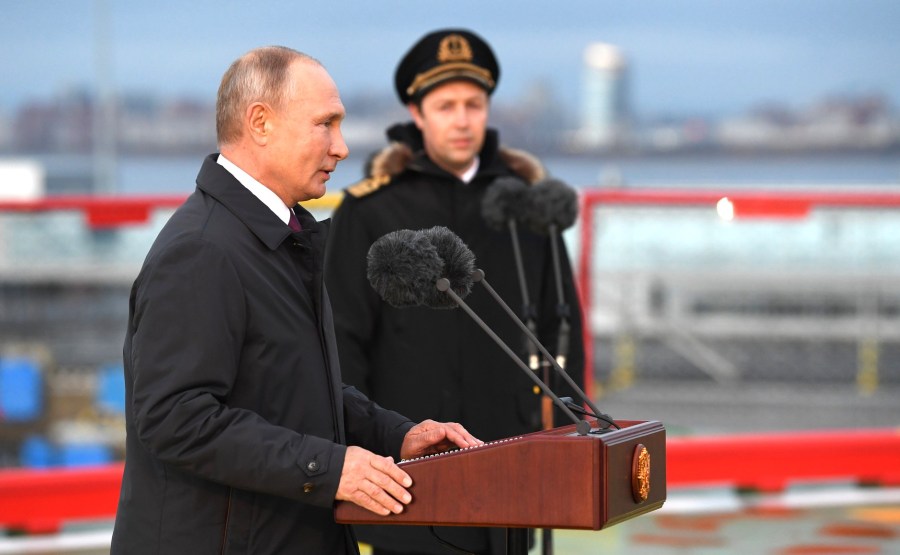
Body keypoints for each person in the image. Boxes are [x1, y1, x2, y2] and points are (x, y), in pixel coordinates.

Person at [110, 46, 482, 555]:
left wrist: (398, 435)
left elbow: (296, 389)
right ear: (260, 123)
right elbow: (174, 418)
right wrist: (331, 469)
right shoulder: (201, 250)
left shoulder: (280, 237)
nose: (342, 147)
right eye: (325, 124)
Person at [325, 29, 586, 555]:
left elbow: (564, 337)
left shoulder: (526, 209)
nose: (462, 119)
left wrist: (566, 454)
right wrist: (361, 454)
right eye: (445, 105)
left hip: (510, 468)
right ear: (416, 114)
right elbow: (342, 345)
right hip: (407, 477)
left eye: (474, 103)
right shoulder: (369, 210)